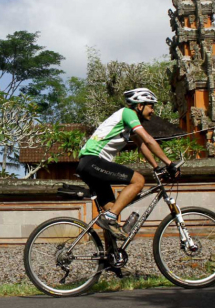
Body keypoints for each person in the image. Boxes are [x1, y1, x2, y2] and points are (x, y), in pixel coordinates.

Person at [77, 88, 181, 240]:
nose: (152, 111)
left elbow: (142, 146)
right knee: (138, 180)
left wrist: (156, 167)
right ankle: (110, 217)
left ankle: (109, 260)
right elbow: (148, 140)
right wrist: (170, 163)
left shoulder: (127, 122)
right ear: (140, 106)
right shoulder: (128, 113)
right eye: (151, 106)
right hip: (93, 161)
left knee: (112, 217)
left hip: (88, 164)